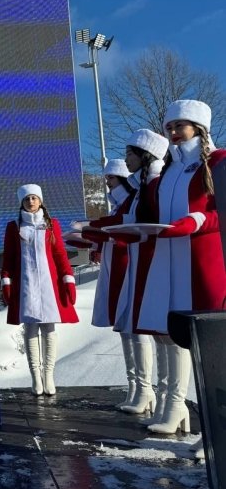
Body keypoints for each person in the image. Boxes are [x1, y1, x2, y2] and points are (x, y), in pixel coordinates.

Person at [140, 100, 226, 436]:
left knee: (211, 347)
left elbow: (221, 212)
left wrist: (198, 219)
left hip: (204, 264)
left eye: (181, 126)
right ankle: (175, 407)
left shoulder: (218, 161)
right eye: (170, 127)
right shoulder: (169, 170)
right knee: (170, 335)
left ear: (198, 127)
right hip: (169, 262)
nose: (174, 133)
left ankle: (216, 434)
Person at [84, 129, 168, 417]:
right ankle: (139, 387)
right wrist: (93, 228)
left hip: (135, 262)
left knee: (141, 328)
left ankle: (151, 392)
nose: (106, 181)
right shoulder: (139, 191)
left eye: (110, 177)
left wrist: (95, 227)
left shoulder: (151, 186)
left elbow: (132, 220)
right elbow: (124, 218)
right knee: (127, 327)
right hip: (128, 260)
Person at [1, 185, 78, 396]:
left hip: (48, 285)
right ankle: (35, 376)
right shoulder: (14, 227)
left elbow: (60, 254)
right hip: (25, 285)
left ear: (41, 201)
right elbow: (8, 258)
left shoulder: (51, 225)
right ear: (22, 203)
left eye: (34, 198)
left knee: (49, 329)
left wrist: (67, 279)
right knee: (30, 329)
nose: (31, 202)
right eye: (27, 199)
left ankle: (49, 375)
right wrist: (6, 281)